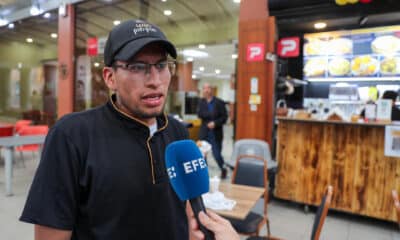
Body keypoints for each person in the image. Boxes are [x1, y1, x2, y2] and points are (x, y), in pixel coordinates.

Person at [19, 19, 238, 240]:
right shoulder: (71, 136)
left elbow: (186, 209)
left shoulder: (178, 132)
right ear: (110, 77)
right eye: (137, 67)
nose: (155, 80)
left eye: (161, 65)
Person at [197, 83, 228, 179]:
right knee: (202, 155)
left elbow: (224, 117)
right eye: (204, 88)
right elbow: (199, 114)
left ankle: (223, 169)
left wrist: (215, 123)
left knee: (217, 154)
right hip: (204, 132)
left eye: (208, 88)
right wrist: (209, 116)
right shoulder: (201, 102)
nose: (206, 90)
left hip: (216, 133)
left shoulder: (219, 102)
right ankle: (204, 173)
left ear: (211, 90)